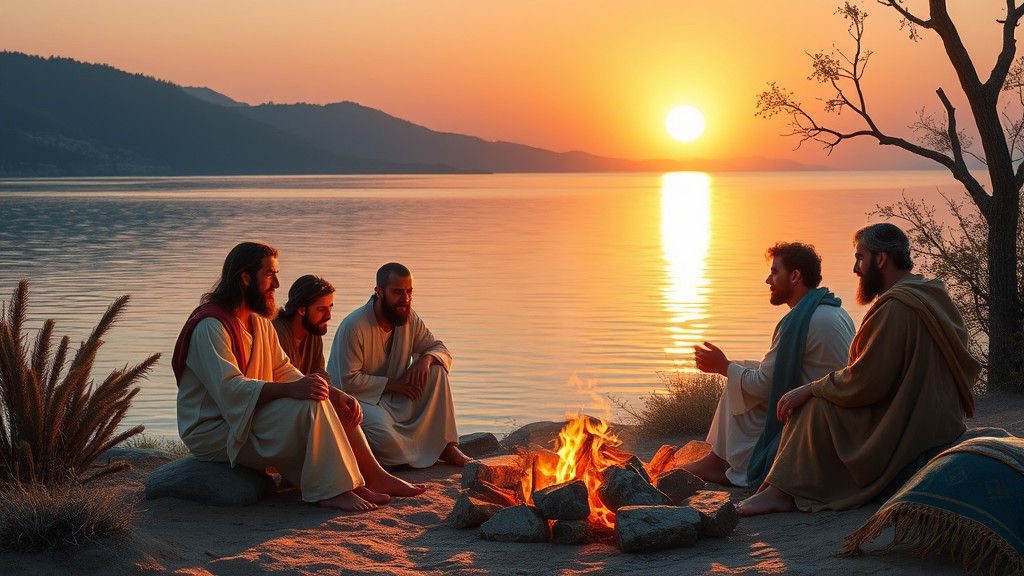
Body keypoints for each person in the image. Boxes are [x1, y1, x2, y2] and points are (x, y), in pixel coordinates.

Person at [737, 223, 980, 516]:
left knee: (812, 409)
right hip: (940, 416)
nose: (855, 268)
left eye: (860, 258)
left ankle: (781, 493)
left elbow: (865, 382)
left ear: (880, 260)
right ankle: (778, 488)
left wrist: (811, 388)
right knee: (819, 400)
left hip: (912, 424)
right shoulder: (932, 293)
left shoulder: (897, 307)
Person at [173, 242, 426, 512]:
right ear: (246, 278)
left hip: (244, 416)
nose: (278, 284)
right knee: (309, 404)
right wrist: (292, 391)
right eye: (270, 275)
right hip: (213, 429)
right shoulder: (211, 326)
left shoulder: (257, 321)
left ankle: (367, 479)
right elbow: (230, 390)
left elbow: (282, 368)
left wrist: (336, 393)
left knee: (324, 396)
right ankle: (332, 490)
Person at [684, 242, 855, 487]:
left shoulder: (799, 323)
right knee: (740, 367)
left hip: (814, 418)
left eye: (775, 272)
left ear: (795, 276)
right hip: (829, 409)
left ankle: (721, 463)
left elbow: (764, 388)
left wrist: (722, 367)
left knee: (735, 375)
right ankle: (716, 459)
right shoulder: (835, 311)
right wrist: (732, 367)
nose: (768, 280)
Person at [327, 262, 471, 468]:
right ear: (379, 291)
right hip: (360, 400)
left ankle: (446, 447)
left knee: (437, 370)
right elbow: (348, 381)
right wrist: (396, 385)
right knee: (384, 437)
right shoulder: (354, 326)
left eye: (409, 291)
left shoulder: (409, 317)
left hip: (398, 397)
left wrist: (425, 359)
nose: (405, 299)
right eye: (397, 292)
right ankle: (409, 452)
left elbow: (438, 348)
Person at [272, 274, 334, 376]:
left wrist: (339, 393)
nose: (328, 316)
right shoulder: (276, 335)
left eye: (330, 308)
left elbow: (320, 376)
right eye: (321, 309)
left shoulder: (314, 332)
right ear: (301, 310)